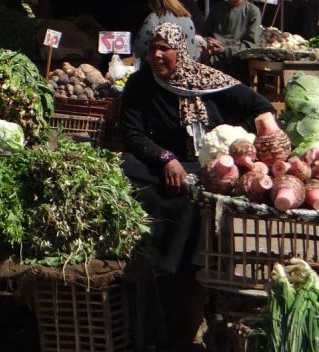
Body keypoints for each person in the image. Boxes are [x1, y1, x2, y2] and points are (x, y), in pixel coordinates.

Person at [119, 22, 280, 293]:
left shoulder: (207, 80)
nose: (156, 55)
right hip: (160, 162)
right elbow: (132, 134)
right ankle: (164, 272)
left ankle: (202, 271)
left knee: (200, 195)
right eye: (152, 49)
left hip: (205, 165)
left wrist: (264, 131)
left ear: (181, 51)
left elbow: (258, 105)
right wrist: (166, 158)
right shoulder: (140, 84)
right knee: (141, 180)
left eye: (164, 49)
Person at [198, 0, 264, 70]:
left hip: (238, 62)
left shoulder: (252, 11)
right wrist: (208, 41)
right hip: (213, 61)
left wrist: (225, 50)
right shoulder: (216, 9)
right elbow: (205, 35)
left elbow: (251, 44)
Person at [134, 0, 199, 61]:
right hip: (186, 69)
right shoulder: (188, 19)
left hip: (162, 69)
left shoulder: (155, 18)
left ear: (152, 2)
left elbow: (139, 48)